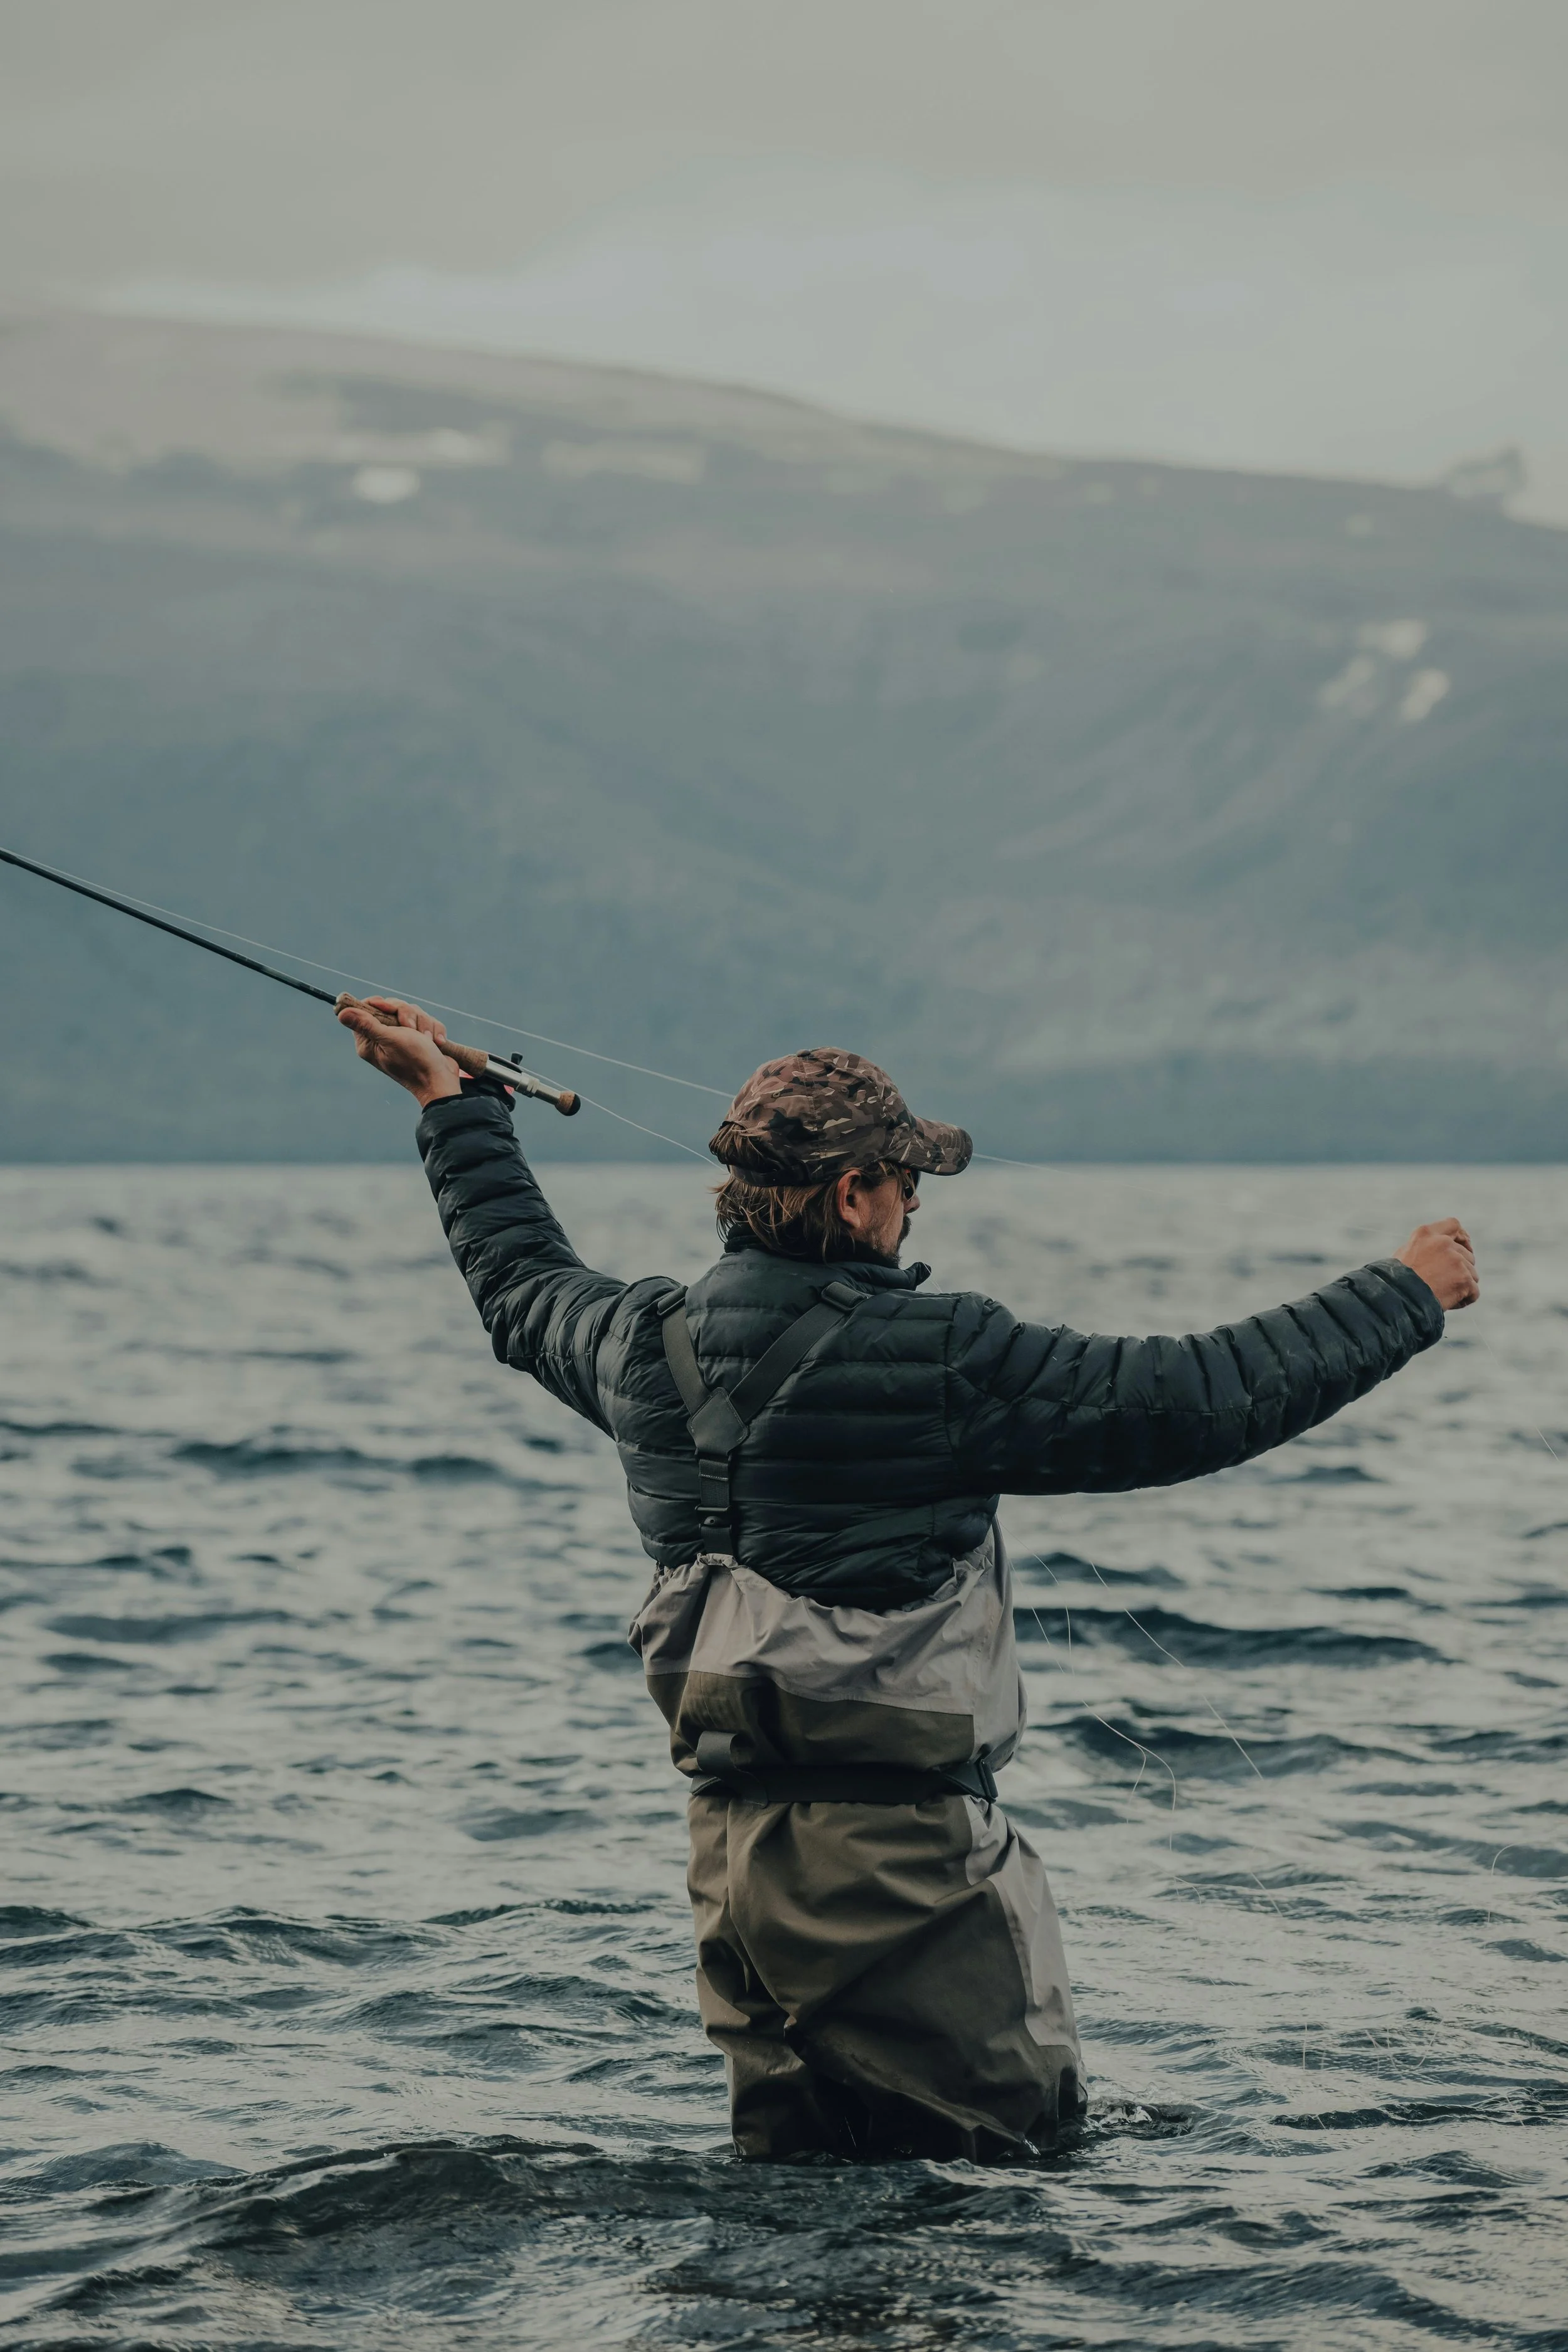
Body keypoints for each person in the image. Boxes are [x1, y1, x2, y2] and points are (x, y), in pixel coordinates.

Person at [337, 995, 1480, 2163]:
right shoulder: (942, 1355)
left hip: (733, 1868)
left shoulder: (642, 1345)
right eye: (904, 1180)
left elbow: (520, 1288)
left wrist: (453, 1106)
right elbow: (1188, 1400)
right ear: (851, 1196)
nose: (915, 1201)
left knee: (795, 2220)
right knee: (994, 2195)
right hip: (905, 1879)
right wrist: (1401, 1295)